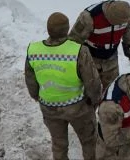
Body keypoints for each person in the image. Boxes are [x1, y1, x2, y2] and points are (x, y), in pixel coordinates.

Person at [26, 11, 102, 160]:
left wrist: (37, 96)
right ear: (67, 29)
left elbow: (30, 80)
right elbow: (92, 82)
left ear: (48, 29)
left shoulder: (33, 51)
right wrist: (94, 101)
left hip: (49, 108)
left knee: (59, 144)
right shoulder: (79, 51)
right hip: (78, 109)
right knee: (89, 142)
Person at [72, 0, 130, 88]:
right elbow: (74, 40)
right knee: (89, 89)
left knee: (111, 88)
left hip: (111, 60)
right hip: (90, 59)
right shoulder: (89, 16)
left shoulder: (127, 14)